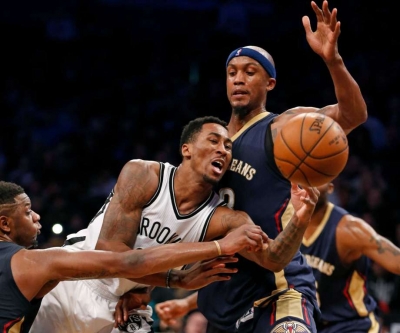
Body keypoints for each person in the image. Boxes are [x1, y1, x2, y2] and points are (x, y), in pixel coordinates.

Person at [155, 1, 368, 332]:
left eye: (249, 72)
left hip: (278, 291)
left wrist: (333, 60)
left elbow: (353, 115)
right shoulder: (211, 144)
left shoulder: (281, 129)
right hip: (224, 300)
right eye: (232, 72)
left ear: (269, 83)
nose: (239, 79)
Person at [30, 116, 318, 333]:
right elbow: (112, 256)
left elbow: (273, 260)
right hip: (74, 281)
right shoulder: (143, 175)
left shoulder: (224, 219)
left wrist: (301, 219)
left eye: (228, 146)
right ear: (187, 149)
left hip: (127, 307)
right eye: (214, 141)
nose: (223, 150)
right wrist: (182, 274)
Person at [0, 180, 266, 333]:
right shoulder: (31, 263)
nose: (36, 216)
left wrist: (144, 289)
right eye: (27, 211)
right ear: (4, 224)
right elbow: (127, 262)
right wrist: (217, 249)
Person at [300, 182, 400, 332]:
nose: (310, 184)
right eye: (305, 177)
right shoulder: (283, 225)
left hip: (351, 326)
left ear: (331, 187)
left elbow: (396, 261)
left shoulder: (349, 229)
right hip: (311, 325)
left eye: (318, 177)